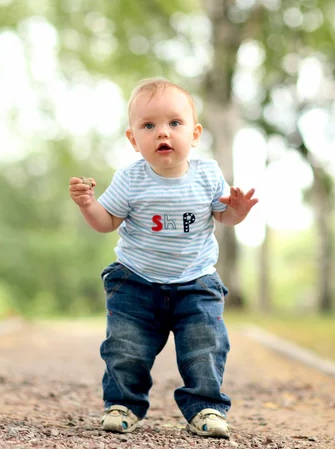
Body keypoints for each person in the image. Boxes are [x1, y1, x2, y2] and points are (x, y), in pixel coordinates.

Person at [68, 78, 258, 439]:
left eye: (174, 123)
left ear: (195, 133)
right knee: (126, 347)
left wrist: (238, 211)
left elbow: (223, 216)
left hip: (197, 282)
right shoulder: (130, 179)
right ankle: (122, 404)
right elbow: (107, 222)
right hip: (136, 282)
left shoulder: (207, 174)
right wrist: (88, 205)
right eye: (149, 125)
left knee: (206, 345)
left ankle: (206, 408)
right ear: (133, 139)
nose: (162, 133)